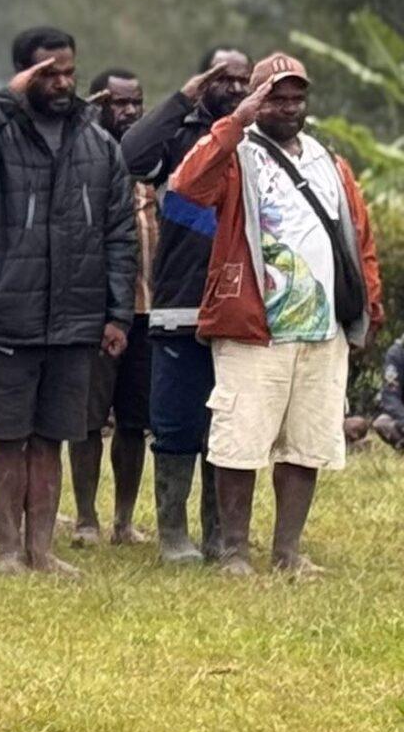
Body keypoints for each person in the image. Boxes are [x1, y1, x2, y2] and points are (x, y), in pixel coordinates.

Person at [173, 55, 383, 576]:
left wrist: (366, 310)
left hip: (322, 327)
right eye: (275, 97)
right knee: (240, 440)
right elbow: (186, 187)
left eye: (295, 98)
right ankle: (235, 553)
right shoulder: (236, 154)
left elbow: (359, 238)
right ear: (256, 98)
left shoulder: (327, 161)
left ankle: (288, 553)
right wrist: (237, 120)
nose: (288, 108)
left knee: (306, 443)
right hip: (254, 325)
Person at [0, 27, 133, 577]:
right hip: (7, 311)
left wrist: (118, 312)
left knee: (53, 435)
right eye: (48, 72)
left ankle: (42, 550)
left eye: (69, 70)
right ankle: (7, 551)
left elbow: (120, 232)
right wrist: (5, 97)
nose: (63, 82)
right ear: (24, 74)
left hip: (75, 317)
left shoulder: (98, 144)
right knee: (7, 436)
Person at [121, 46, 252, 564]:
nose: (236, 89)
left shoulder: (256, 138)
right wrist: (184, 97)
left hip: (240, 309)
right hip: (180, 303)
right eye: (225, 78)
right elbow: (130, 155)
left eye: (244, 80)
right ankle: (173, 534)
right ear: (204, 79)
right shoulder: (178, 134)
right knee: (176, 424)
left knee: (231, 427)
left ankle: (220, 534)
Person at [73, 68, 153, 545]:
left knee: (134, 421)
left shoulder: (154, 167)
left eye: (135, 103)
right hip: (96, 313)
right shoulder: (84, 159)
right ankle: (86, 519)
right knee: (87, 419)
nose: (127, 112)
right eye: (117, 103)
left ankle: (124, 521)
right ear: (98, 104)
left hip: (148, 311)